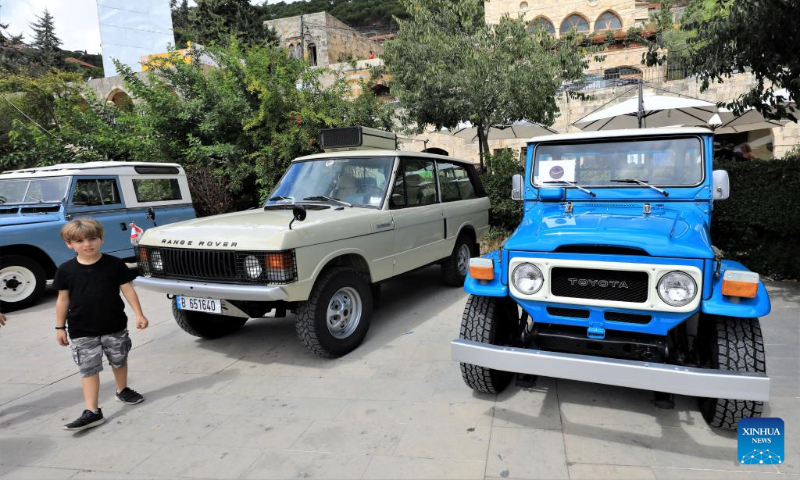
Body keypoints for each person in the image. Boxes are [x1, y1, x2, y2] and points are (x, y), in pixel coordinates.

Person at [54, 218, 149, 431]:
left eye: (92, 238)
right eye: (79, 241)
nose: (87, 244)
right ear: (70, 244)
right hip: (81, 330)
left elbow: (128, 290)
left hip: (114, 325)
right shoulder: (65, 270)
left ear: (101, 239)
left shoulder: (115, 264)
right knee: (88, 369)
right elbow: (62, 299)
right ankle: (92, 411)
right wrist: (60, 327)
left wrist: (139, 314)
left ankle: (122, 390)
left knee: (119, 359)